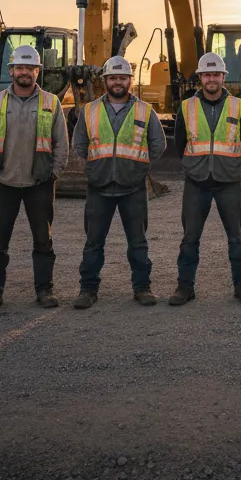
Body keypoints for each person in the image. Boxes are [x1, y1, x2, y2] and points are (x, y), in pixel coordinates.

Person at [0, 45, 69, 313]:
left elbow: (61, 143)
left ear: (38, 71)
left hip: (39, 184)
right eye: (20, 67)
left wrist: (54, 173)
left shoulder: (52, 102)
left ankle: (44, 290)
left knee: (43, 240)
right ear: (12, 70)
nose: (25, 72)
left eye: (30, 68)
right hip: (3, 184)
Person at [70, 56, 166, 308]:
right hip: (99, 188)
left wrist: (137, 167)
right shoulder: (90, 111)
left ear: (130, 81)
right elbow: (79, 144)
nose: (118, 82)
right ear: (105, 81)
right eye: (113, 78)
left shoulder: (145, 111)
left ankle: (142, 288)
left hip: (132, 187)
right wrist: (96, 168)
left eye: (122, 78)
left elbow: (158, 145)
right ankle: (88, 290)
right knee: (93, 243)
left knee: (138, 242)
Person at [168, 52, 241, 306]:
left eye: (216, 74)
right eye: (207, 74)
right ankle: (184, 287)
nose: (211, 79)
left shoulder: (238, 107)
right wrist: (193, 164)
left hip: (228, 182)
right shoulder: (186, 107)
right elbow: (181, 143)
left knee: (237, 237)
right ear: (200, 77)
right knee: (189, 238)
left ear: (223, 77)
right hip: (197, 182)